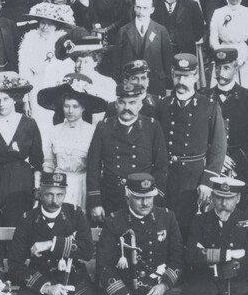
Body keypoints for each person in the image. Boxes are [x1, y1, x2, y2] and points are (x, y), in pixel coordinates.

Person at [4, 171, 97, 295]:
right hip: (40, 279)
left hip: (73, 280)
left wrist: (51, 244)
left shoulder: (75, 214)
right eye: (49, 194)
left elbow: (87, 251)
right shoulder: (28, 219)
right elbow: (14, 264)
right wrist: (45, 287)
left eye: (59, 195)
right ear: (39, 193)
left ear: (65, 193)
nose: (54, 201)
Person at [87, 77, 169, 223]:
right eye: (122, 102)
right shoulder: (103, 127)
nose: (127, 108)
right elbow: (93, 167)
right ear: (116, 104)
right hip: (111, 198)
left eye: (132, 103)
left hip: (142, 198)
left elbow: (161, 167)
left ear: (140, 105)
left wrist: (154, 200)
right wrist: (95, 202)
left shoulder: (152, 127)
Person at [153, 52, 227, 212]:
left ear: (195, 77)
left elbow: (218, 148)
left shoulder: (209, 106)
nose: (181, 81)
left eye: (186, 77)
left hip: (194, 180)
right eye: (178, 76)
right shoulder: (162, 106)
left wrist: (207, 181)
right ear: (172, 75)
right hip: (166, 178)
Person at [0, 70, 44, 226]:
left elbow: (37, 159)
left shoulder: (29, 124)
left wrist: (36, 189)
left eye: (5, 99)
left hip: (21, 182)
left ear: (15, 100)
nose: (1, 104)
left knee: (19, 225)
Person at [35, 75, 106, 210]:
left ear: (83, 108)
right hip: (58, 184)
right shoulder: (54, 130)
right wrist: (44, 185)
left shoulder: (93, 131)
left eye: (75, 106)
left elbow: (97, 164)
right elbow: (49, 162)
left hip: (82, 183)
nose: (70, 111)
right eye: (66, 106)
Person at [208, 47, 248, 191]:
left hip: (240, 165)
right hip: (211, 165)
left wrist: (238, 158)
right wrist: (218, 157)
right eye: (217, 68)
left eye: (226, 67)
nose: (220, 73)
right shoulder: (204, 97)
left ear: (236, 68)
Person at [109, 0, 175, 96]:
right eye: (138, 7)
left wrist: (168, 86)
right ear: (134, 8)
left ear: (152, 10)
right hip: (130, 84)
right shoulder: (123, 31)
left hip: (155, 84)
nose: (141, 12)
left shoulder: (161, 31)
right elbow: (117, 62)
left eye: (145, 8)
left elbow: (167, 61)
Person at [208, 0, 248, 90]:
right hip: (223, 53)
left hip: (243, 55)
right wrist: (224, 57)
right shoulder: (218, 13)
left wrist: (241, 60)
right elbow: (213, 40)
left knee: (245, 89)